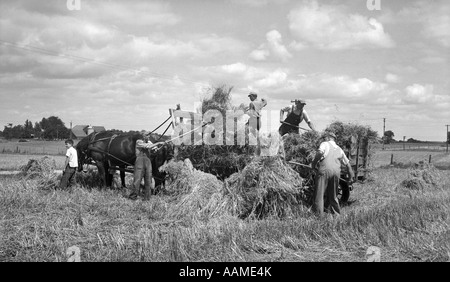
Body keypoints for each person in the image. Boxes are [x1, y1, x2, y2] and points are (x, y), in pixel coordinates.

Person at [311, 131, 355, 217]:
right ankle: (336, 214)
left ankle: (318, 216)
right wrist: (350, 177)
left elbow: (320, 152)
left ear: (328, 138)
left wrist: (314, 163)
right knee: (333, 194)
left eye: (325, 137)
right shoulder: (339, 148)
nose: (324, 139)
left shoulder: (325, 144)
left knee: (319, 193)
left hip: (325, 170)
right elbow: (348, 165)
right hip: (336, 172)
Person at [129, 131, 164, 201]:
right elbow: (147, 146)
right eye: (147, 135)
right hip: (139, 161)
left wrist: (157, 148)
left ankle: (147, 197)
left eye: (149, 135)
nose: (148, 137)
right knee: (137, 179)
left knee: (148, 180)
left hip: (148, 161)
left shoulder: (149, 142)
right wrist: (159, 143)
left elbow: (153, 149)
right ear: (143, 136)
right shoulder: (139, 141)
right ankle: (133, 196)